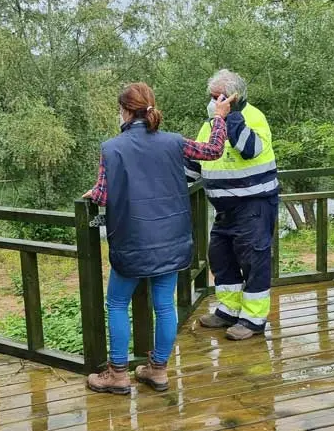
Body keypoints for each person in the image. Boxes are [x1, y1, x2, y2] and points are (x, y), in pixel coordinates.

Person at [83, 82, 233, 395]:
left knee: (117, 303)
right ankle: (158, 370)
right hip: (172, 240)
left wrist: (93, 193)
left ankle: (117, 374)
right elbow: (213, 150)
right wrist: (219, 117)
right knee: (164, 305)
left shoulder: (111, 148)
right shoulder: (174, 142)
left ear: (124, 111)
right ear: (150, 108)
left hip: (132, 242)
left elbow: (102, 194)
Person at [186, 69, 279, 341]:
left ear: (234, 97)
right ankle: (228, 310)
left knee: (254, 262)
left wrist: (230, 117)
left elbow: (248, 148)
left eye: (218, 97)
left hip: (254, 205)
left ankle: (252, 319)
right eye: (211, 97)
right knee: (221, 259)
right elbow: (195, 162)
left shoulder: (253, 118)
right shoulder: (209, 123)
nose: (213, 102)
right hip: (224, 208)